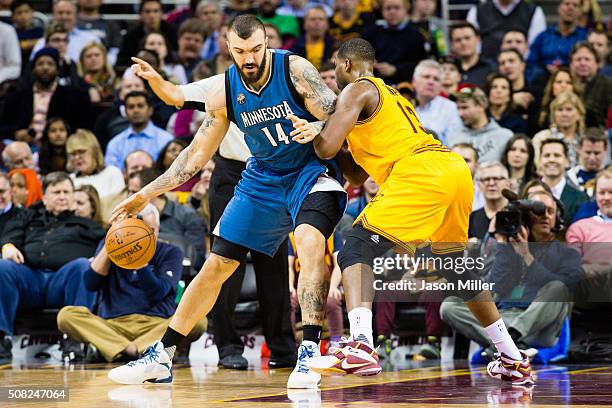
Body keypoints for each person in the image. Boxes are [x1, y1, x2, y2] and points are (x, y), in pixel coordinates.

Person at [107, 15, 344, 389]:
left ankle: (309, 354)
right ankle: (162, 355)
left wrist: (317, 127)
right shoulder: (223, 92)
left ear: (266, 43)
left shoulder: (294, 69)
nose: (248, 59)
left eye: (254, 50)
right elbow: (195, 157)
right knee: (216, 264)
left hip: (311, 172)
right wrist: (147, 192)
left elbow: (339, 114)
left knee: (311, 243)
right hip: (262, 179)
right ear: (227, 48)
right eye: (239, 51)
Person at [296, 37, 534, 385]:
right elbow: (356, 173)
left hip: (419, 172)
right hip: (452, 169)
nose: (335, 74)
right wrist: (335, 136)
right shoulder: (389, 97)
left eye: (335, 67)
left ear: (346, 65)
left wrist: (313, 129)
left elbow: (325, 147)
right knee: (453, 266)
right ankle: (512, 356)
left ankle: (361, 343)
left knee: (355, 246)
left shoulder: (356, 88)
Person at [441, 190, 581, 360]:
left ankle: (508, 341)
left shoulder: (567, 254)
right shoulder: (508, 248)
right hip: (502, 320)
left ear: (558, 219)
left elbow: (564, 290)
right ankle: (509, 343)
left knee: (559, 287)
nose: (545, 216)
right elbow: (493, 288)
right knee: (450, 305)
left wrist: (527, 256)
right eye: (538, 211)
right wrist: (501, 243)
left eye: (550, 211)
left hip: (538, 327)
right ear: (526, 217)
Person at [57, 204, 206, 362]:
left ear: (158, 229)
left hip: (156, 324)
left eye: (151, 230)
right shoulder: (110, 247)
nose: (145, 236)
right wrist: (113, 240)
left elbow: (158, 292)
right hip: (113, 325)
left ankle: (122, 349)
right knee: (66, 315)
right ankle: (138, 350)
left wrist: (140, 259)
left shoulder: (171, 252)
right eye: (139, 231)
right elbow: (91, 283)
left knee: (198, 320)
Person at [0, 172, 105, 360]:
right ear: (45, 197)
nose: (63, 196)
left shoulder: (87, 225)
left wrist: (97, 258)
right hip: (30, 279)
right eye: (57, 192)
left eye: (67, 191)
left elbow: (108, 242)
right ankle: (2, 338)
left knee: (82, 266)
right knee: (3, 267)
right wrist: (8, 247)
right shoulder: (29, 217)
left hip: (63, 281)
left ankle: (75, 339)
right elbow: (10, 233)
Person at [0, 47, 92, 142]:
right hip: (23, 147)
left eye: (50, 63)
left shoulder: (75, 96)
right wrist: (16, 134)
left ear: (58, 70)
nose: (45, 68)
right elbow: (3, 127)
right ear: (33, 70)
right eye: (40, 64)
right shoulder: (15, 98)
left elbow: (84, 128)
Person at [566, 168, 612, 304]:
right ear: (595, 195)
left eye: (611, 192)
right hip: (592, 289)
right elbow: (573, 267)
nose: (607, 198)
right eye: (602, 193)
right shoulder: (579, 228)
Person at [361, 0, 428, 84]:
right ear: (382, 11)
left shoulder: (416, 36)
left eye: (397, 8)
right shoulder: (370, 32)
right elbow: (357, 55)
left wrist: (396, 70)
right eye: (388, 8)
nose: (392, 12)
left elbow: (420, 66)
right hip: (372, 83)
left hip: (404, 86)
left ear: (406, 10)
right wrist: (369, 62)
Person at [105, 91, 174, 171]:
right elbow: (113, 176)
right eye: (131, 107)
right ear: (125, 112)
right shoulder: (114, 144)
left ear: (150, 110)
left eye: (140, 106)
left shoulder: (166, 140)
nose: (136, 110)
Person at [526, 0, 587, 85]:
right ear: (559, 7)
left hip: (573, 82)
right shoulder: (543, 36)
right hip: (543, 81)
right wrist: (545, 68)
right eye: (567, 4)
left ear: (580, 11)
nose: (570, 8)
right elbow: (531, 62)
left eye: (575, 5)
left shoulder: (585, 37)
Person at [446, 87, 513, 162]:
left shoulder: (504, 136)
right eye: (458, 108)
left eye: (465, 107)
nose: (460, 113)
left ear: (481, 106)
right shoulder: (452, 136)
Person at [466, 0, 545, 61]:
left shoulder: (534, 11)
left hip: (524, 69)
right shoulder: (477, 11)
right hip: (485, 67)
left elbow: (535, 46)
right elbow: (472, 45)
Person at [539, 139, 589, 226]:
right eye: (547, 155)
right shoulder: (527, 193)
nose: (551, 159)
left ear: (567, 161)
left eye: (557, 155)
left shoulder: (581, 198)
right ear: (539, 160)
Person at [66, 129, 125, 202]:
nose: (77, 157)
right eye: (73, 154)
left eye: (81, 152)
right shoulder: (70, 180)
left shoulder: (112, 173)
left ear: (94, 152)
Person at [412, 59, 462, 145]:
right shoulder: (401, 103)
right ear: (413, 80)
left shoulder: (451, 108)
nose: (431, 82)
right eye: (426, 77)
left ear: (440, 86)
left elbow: (453, 143)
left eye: (436, 79)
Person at [532, 91, 586, 169]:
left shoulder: (585, 139)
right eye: (560, 110)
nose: (564, 114)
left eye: (569, 109)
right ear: (553, 115)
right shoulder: (541, 138)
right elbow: (537, 166)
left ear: (579, 114)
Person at [117, 0, 177, 68]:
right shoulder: (131, 36)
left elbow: (176, 57)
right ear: (140, 14)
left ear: (162, 13)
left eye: (156, 11)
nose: (152, 15)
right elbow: (122, 62)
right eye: (147, 11)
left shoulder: (171, 32)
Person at [569, 42, 611, 128]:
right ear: (571, 64)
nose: (583, 63)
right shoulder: (564, 82)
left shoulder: (608, 84)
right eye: (578, 59)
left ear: (597, 64)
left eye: (587, 59)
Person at [468, 161, 511, 241]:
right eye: (486, 179)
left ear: (508, 183)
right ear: (479, 185)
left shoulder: (518, 215)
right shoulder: (471, 219)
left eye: (496, 179)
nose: (491, 183)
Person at [449, 22, 496, 88]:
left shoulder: (491, 68)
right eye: (458, 40)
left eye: (467, 38)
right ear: (452, 44)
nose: (463, 43)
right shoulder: (446, 69)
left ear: (477, 39)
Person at [567, 128, 609, 197]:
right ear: (579, 149)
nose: (592, 158)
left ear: (605, 150)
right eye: (588, 152)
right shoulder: (569, 177)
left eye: (596, 153)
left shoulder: (610, 175)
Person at [290, 6, 335, 70]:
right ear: (304, 24)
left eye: (321, 19)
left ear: (327, 25)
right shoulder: (293, 46)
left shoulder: (335, 46)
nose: (317, 23)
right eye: (312, 19)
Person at [451, 143, 483, 211]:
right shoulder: (437, 190)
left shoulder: (486, 192)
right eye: (455, 160)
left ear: (477, 165)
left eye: (466, 160)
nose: (461, 164)